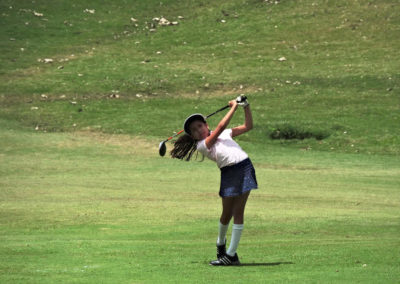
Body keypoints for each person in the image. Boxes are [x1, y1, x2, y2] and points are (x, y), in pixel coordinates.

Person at [171, 96, 258, 266]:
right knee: (227, 213)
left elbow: (248, 126)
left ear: (206, 125)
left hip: (245, 168)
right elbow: (221, 126)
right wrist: (233, 107)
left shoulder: (225, 134)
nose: (198, 131)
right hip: (229, 173)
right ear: (193, 136)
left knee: (238, 212)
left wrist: (245, 106)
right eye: (194, 130)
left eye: (200, 126)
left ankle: (231, 255)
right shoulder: (202, 145)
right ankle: (220, 243)